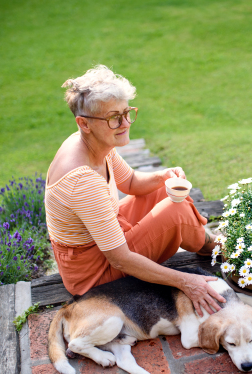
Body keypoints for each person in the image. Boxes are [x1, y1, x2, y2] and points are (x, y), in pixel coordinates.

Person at [45, 65, 224, 316]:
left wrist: (163, 176)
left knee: (165, 191)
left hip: (106, 239)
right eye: (114, 117)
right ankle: (216, 248)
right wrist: (186, 282)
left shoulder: (94, 141)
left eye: (127, 112)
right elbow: (120, 259)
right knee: (177, 210)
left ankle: (208, 242)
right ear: (83, 123)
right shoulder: (82, 181)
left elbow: (130, 182)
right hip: (93, 273)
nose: (125, 123)